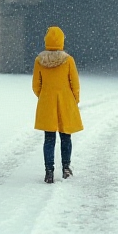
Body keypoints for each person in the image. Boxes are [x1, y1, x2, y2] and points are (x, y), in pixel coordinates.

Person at [32, 26, 83, 184]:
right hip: (65, 102)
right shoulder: (68, 60)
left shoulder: (39, 60)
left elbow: (36, 85)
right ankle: (66, 168)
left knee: (49, 139)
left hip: (47, 103)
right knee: (65, 137)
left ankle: (49, 170)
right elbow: (74, 83)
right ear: (62, 41)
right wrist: (74, 100)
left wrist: (45, 96)